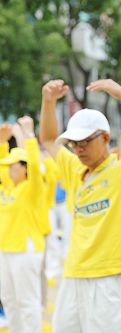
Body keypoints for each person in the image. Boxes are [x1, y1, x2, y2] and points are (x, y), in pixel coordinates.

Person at [39, 79, 121, 333]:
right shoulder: (75, 168)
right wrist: (48, 102)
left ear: (106, 137)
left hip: (111, 278)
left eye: (85, 141)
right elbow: (50, 138)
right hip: (74, 275)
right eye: (74, 144)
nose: (78, 149)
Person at [0, 117, 47, 333]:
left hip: (25, 250)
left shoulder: (32, 188)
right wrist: (2, 143)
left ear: (24, 168)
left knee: (27, 301)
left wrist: (28, 135)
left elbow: (36, 166)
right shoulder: (9, 188)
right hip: (6, 250)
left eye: (13, 166)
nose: (9, 170)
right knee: (9, 299)